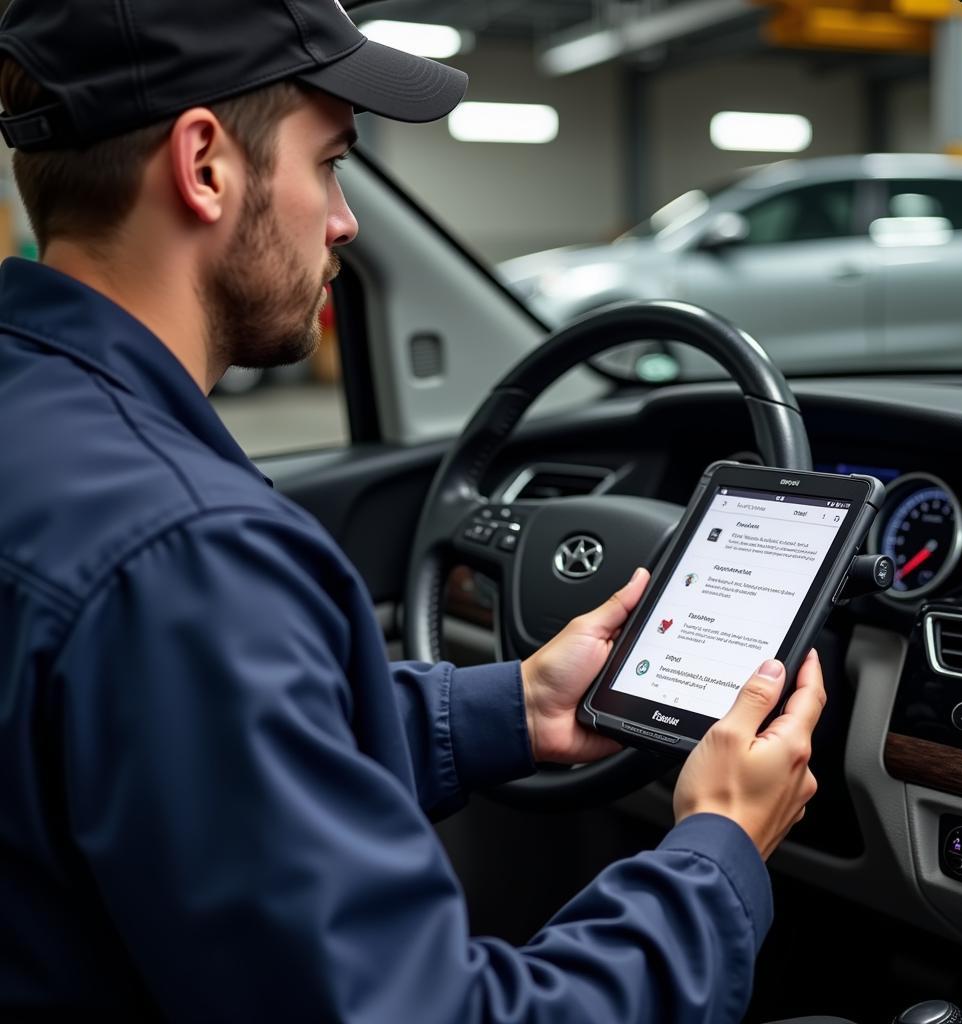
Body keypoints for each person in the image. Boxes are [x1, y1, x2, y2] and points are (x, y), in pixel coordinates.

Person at [0, 0, 824, 1020]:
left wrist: (510, 707)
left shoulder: (44, 431)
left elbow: (189, 746)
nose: (343, 220)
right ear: (205, 163)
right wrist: (718, 851)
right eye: (330, 163)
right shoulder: (189, 556)